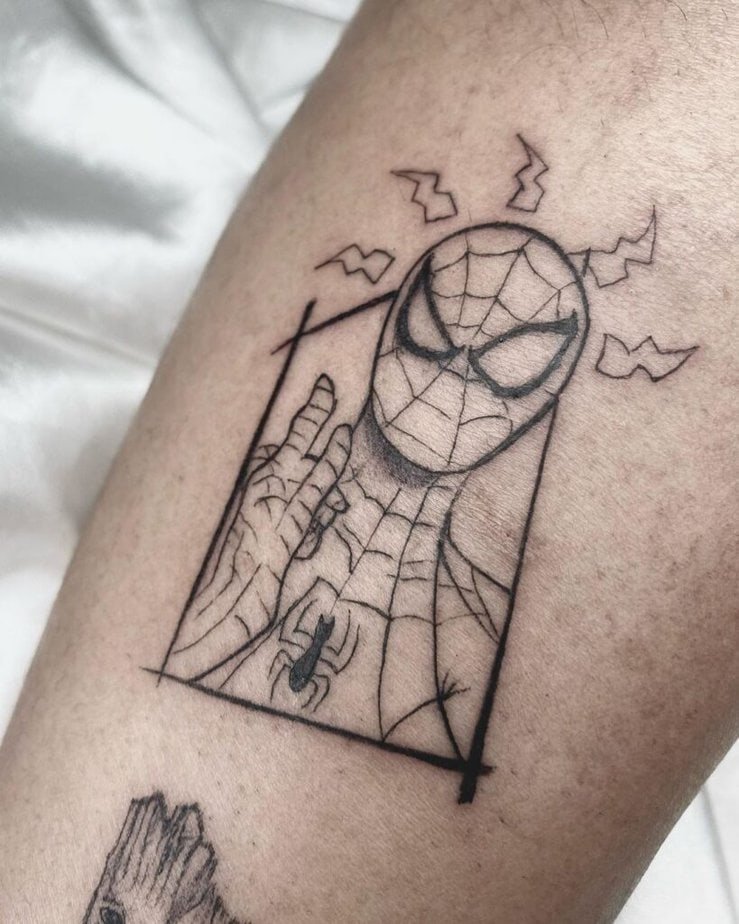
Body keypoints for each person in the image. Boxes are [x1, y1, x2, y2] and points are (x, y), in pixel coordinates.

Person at [1, 1, 737, 921]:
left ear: (536, 408)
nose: (451, 389)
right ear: (389, 334)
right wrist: (227, 610)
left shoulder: (462, 635)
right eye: (434, 339)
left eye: (501, 371)